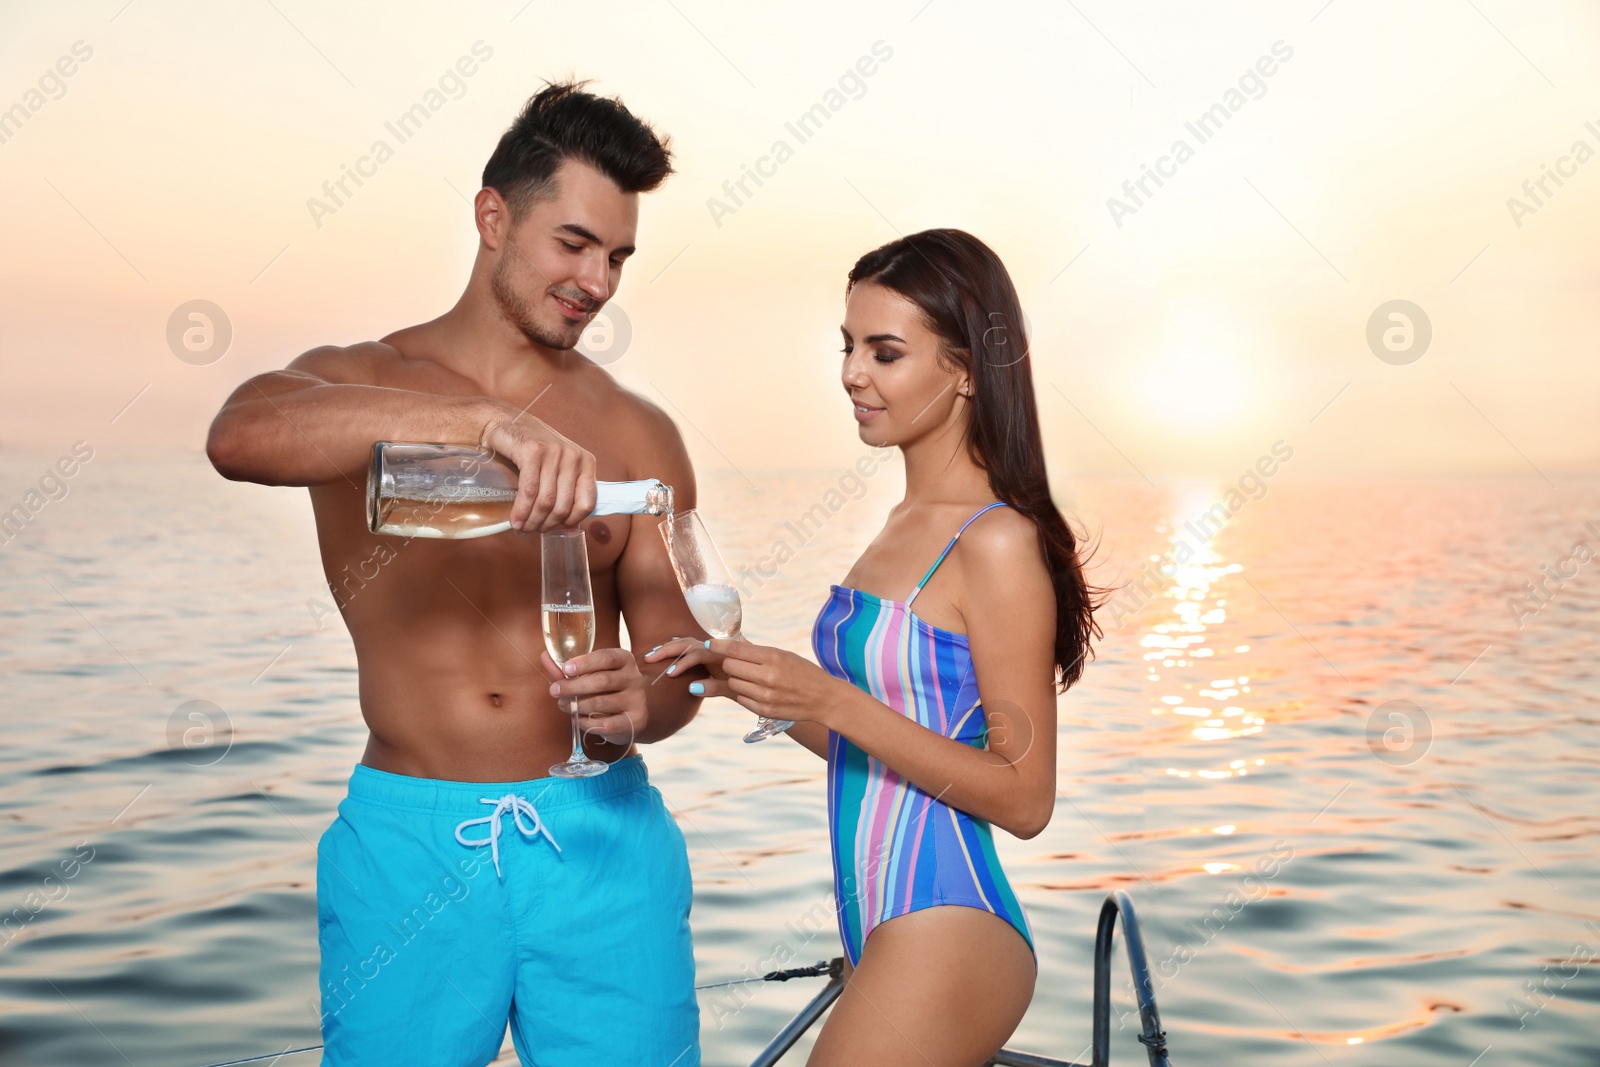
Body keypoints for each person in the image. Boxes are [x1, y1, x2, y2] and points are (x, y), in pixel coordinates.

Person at [207, 83, 706, 1066]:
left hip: (606, 839)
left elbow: (678, 658)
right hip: (409, 839)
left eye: (618, 256)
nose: (599, 280)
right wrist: (478, 424)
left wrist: (641, 700)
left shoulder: (640, 433)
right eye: (573, 243)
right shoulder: (354, 380)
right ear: (492, 217)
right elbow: (239, 435)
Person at [650, 229, 1102, 1065]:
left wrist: (826, 696)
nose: (854, 372)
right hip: (880, 920)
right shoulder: (900, 525)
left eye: (885, 352)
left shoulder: (996, 540)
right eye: (849, 346)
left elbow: (1025, 797)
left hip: (949, 917)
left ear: (966, 368)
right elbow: (876, 740)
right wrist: (759, 688)